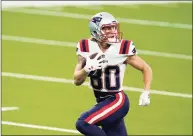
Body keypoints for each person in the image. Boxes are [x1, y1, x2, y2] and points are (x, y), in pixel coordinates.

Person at [73, 12, 152, 136]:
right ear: (95, 30)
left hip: (117, 100)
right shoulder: (86, 47)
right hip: (102, 101)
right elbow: (76, 80)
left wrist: (146, 92)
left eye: (113, 27)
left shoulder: (122, 48)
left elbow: (146, 68)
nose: (113, 31)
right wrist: (86, 69)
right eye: (107, 28)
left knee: (83, 123)